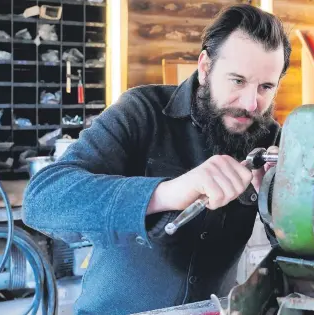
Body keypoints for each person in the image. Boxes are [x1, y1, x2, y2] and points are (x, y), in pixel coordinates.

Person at [22, 4, 291, 315]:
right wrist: (166, 193)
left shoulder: (271, 140)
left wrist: (276, 208)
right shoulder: (141, 112)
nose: (250, 103)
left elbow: (292, 250)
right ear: (205, 68)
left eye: (266, 87)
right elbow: (42, 200)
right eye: (238, 81)